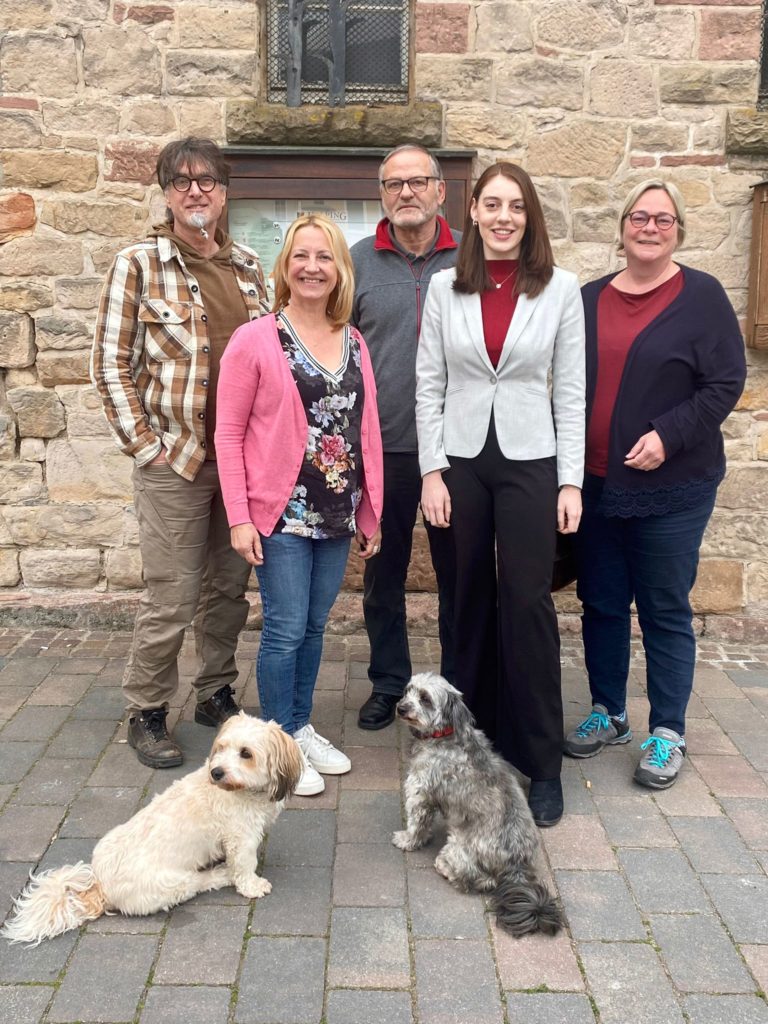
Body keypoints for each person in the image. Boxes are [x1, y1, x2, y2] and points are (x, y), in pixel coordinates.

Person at [416, 162, 585, 827]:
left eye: (516, 205)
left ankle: (541, 760)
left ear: (529, 215)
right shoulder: (443, 288)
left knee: (526, 602)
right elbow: (427, 384)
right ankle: (461, 747)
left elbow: (569, 392)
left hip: (528, 459)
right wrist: (432, 471)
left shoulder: (560, 289)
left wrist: (569, 481)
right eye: (492, 203)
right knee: (463, 599)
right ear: (474, 212)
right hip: (460, 458)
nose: (504, 215)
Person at [92, 137, 268, 769]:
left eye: (208, 181)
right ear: (167, 193)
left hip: (240, 464)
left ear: (224, 192)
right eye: (183, 182)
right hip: (177, 457)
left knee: (228, 588)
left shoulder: (249, 268)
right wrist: (147, 448)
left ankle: (214, 692)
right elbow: (110, 366)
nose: (197, 192)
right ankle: (147, 708)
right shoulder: (138, 263)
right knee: (171, 594)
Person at [564, 180, 746, 789]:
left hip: (673, 488)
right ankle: (609, 712)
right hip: (594, 483)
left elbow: (724, 383)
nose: (649, 227)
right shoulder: (586, 299)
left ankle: (667, 730)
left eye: (662, 219)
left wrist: (669, 434)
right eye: (639, 217)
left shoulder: (703, 296)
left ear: (678, 232)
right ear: (621, 227)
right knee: (603, 602)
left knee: (664, 608)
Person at [215, 213, 384, 796]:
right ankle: (279, 744)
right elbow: (228, 433)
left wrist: (369, 512)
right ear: (285, 267)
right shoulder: (255, 339)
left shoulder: (354, 339)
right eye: (301, 256)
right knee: (284, 631)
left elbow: (367, 431)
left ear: (340, 270)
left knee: (314, 627)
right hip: (280, 513)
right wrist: (239, 516)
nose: (313, 267)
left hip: (336, 512)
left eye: (325, 257)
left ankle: (301, 727)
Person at [350, 143, 459, 731]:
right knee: (382, 575)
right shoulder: (358, 261)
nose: (406, 192)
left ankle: (454, 687)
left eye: (418, 182)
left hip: (459, 448)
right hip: (384, 445)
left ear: (441, 190)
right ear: (382, 194)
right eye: (394, 184)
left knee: (458, 575)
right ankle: (390, 682)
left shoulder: (471, 257)